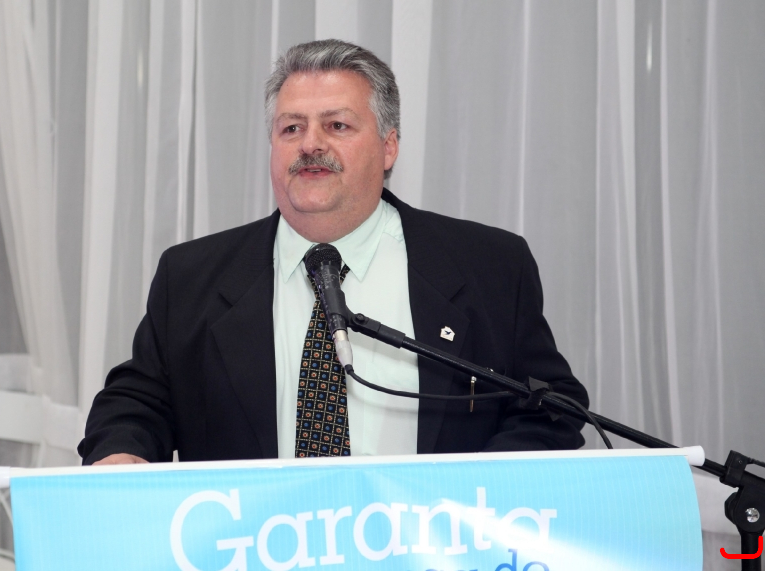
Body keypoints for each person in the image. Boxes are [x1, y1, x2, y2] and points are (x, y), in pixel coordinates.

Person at [78, 39, 589, 466]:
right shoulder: (191, 275)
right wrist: (122, 451)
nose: (310, 145)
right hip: (255, 542)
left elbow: (550, 406)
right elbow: (137, 402)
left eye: (337, 125)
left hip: (429, 541)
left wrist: (476, 491)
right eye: (292, 128)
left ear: (389, 146)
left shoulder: (489, 266)